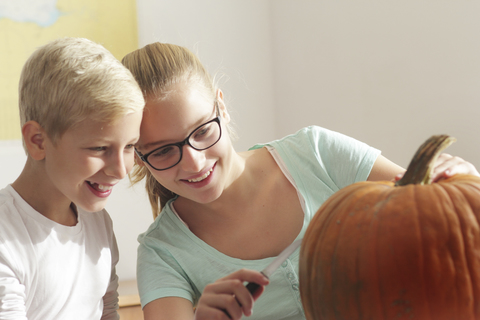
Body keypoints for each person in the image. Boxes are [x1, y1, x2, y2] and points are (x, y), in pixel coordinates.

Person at [121, 42, 480, 320]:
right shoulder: (161, 254)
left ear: (222, 107)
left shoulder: (317, 153)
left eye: (201, 131)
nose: (194, 161)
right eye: (164, 151)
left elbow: (428, 209)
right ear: (137, 155)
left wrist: (460, 181)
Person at [0, 37, 145, 319]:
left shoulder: (97, 221)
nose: (120, 170)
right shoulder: (6, 238)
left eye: (129, 146)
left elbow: (108, 311)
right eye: (100, 148)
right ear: (38, 141)